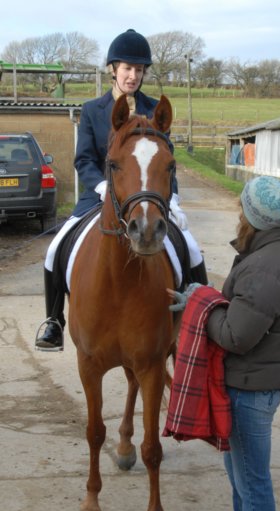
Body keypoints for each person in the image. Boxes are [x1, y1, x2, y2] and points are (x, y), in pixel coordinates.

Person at [168, 175, 280, 511]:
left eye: (241, 209)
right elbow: (248, 311)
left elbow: (235, 335)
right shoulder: (278, 251)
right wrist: (209, 294)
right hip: (264, 376)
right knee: (240, 473)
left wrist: (199, 301)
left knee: (252, 481)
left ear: (252, 216)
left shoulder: (266, 267)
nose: (237, 215)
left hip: (252, 385)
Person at [35, 29, 207, 351]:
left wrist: (176, 203)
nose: (133, 75)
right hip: (99, 196)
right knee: (54, 248)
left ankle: (197, 318)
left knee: (192, 248)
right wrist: (101, 187)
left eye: (139, 70)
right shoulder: (92, 110)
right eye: (127, 68)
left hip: (147, 198)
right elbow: (84, 159)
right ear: (113, 68)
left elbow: (165, 163)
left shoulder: (156, 109)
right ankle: (54, 321)